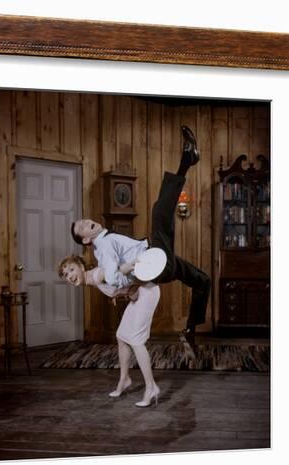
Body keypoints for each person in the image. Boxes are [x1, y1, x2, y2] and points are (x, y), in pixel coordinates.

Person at [70, 126, 210, 348]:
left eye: (85, 220)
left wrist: (127, 289)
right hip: (153, 260)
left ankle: (191, 328)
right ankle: (187, 158)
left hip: (160, 264)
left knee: (202, 280)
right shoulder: (103, 247)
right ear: (86, 240)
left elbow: (114, 278)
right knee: (159, 211)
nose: (88, 222)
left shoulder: (105, 241)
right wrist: (126, 286)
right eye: (84, 227)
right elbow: (114, 277)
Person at [58, 255, 161, 407]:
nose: (70, 276)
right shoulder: (93, 280)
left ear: (81, 266)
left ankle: (151, 388)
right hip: (139, 294)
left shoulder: (97, 275)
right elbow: (119, 281)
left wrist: (133, 278)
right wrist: (121, 292)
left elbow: (120, 271)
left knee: (135, 339)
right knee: (121, 336)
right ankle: (124, 380)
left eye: (72, 269)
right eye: (66, 274)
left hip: (148, 292)